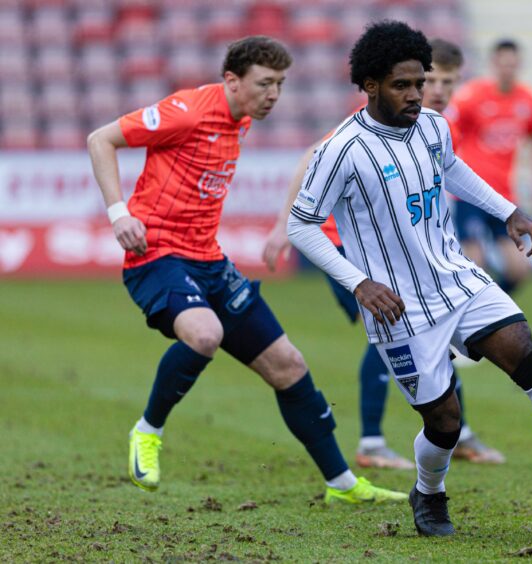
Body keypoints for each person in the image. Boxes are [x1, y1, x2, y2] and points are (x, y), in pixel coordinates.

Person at [287, 21, 532, 537]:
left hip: (458, 279)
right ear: (370, 85)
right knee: (444, 422)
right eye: (403, 85)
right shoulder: (343, 150)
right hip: (400, 307)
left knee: (525, 352)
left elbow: (454, 170)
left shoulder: (434, 126)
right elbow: (299, 226)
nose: (417, 95)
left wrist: (511, 213)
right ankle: (429, 493)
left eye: (421, 83)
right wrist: (358, 283)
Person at [86, 35, 405, 505]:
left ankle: (342, 485)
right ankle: (147, 431)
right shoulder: (189, 109)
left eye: (280, 84)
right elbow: (101, 139)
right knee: (205, 334)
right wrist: (119, 213)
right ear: (232, 80)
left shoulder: (241, 120)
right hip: (156, 255)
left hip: (209, 260)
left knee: (289, 365)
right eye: (264, 84)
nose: (273, 94)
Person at [263, 38, 505, 468]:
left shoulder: (430, 124)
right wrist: (284, 226)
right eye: (436, 80)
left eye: (450, 81)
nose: (441, 89)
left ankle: (457, 430)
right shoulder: (370, 126)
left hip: (405, 252)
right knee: (393, 332)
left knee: (434, 333)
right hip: (348, 245)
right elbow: (312, 157)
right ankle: (374, 442)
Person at [450, 39, 532, 296]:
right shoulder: (471, 97)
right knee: (475, 262)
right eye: (503, 64)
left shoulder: (529, 101)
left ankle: (490, 310)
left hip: (504, 196)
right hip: (471, 192)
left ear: (519, 65)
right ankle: (470, 316)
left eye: (512, 64)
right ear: (493, 64)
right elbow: (448, 132)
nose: (508, 69)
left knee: (519, 269)